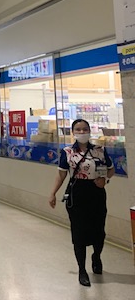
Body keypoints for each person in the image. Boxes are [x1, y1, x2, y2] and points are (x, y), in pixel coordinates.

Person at [48, 119, 114, 287]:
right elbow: (61, 175)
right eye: (78, 129)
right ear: (73, 132)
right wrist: (53, 193)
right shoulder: (68, 152)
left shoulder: (100, 150)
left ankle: (96, 256)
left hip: (97, 194)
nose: (82, 132)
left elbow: (111, 169)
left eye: (85, 129)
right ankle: (82, 270)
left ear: (90, 131)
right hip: (77, 194)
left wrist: (105, 180)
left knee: (99, 231)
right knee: (79, 233)